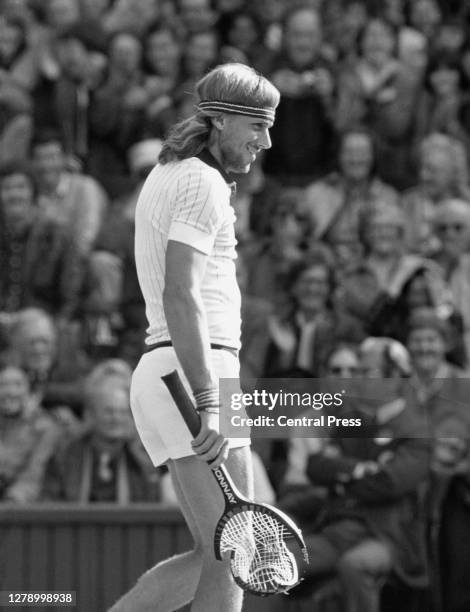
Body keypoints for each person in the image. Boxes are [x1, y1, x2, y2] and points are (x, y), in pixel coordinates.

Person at [109, 63, 279, 612]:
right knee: (239, 550)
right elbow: (181, 295)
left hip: (169, 371)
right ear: (222, 118)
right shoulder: (202, 182)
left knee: (219, 550)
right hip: (195, 373)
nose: (266, 141)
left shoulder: (171, 171)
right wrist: (209, 397)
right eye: (258, 125)